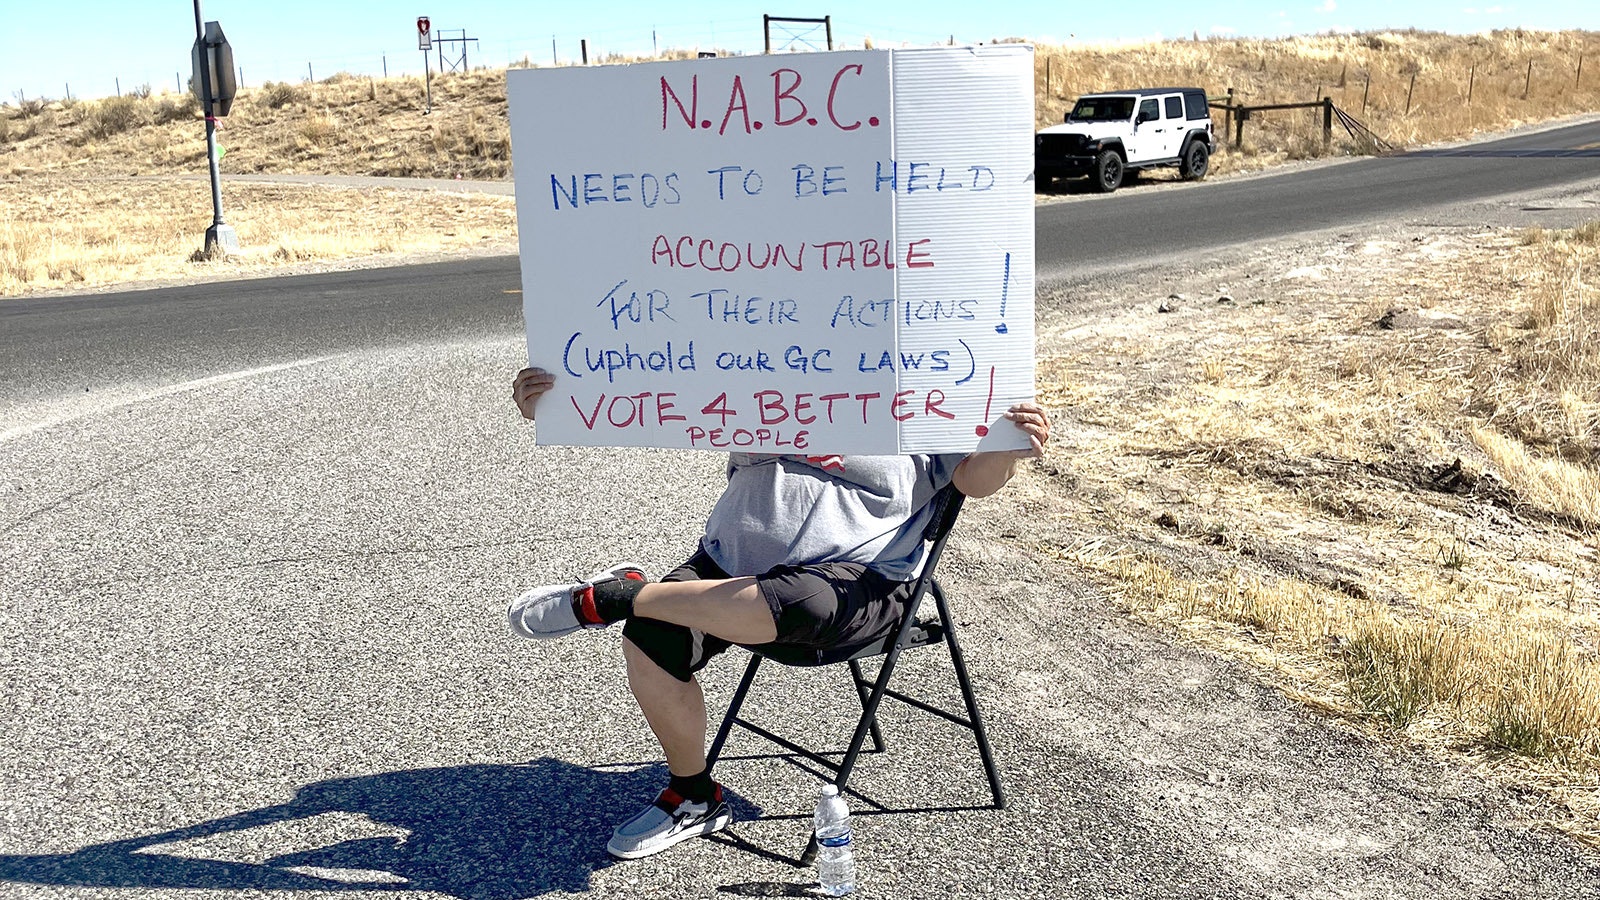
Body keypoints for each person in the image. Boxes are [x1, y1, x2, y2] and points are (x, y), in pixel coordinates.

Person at [508, 365, 1051, 860]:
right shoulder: (773, 344)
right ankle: (693, 796)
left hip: (858, 580)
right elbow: (658, 385)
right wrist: (560, 401)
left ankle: (617, 598)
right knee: (654, 632)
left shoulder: (940, 376)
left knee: (799, 602)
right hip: (732, 561)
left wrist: (1007, 447)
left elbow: (972, 481)